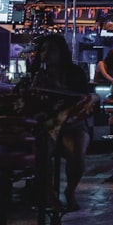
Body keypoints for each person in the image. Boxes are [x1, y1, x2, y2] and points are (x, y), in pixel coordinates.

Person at [29, 33, 95, 212]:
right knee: (42, 151)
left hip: (72, 124)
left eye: (51, 50)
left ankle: (70, 191)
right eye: (43, 50)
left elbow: (83, 99)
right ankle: (48, 193)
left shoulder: (75, 73)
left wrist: (57, 88)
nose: (45, 54)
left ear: (61, 52)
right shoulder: (36, 74)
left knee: (78, 152)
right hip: (47, 124)